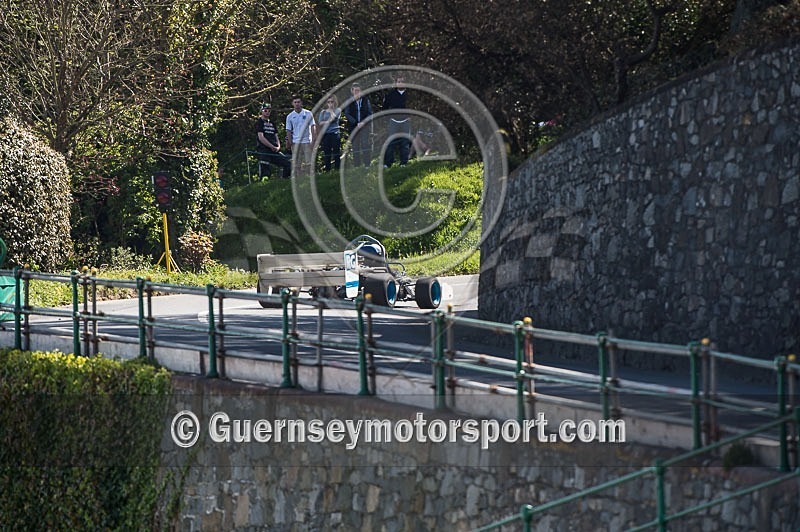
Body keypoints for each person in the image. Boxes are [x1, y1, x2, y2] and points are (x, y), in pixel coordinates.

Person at [255, 103, 291, 179]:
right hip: (264, 150)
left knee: (287, 163)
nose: (267, 112)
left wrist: (278, 146)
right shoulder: (259, 122)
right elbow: (261, 137)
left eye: (269, 111)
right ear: (261, 111)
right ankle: (264, 183)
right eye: (265, 110)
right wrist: (270, 146)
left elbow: (276, 136)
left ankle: (285, 179)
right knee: (265, 168)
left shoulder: (272, 123)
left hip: (274, 150)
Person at [382, 75, 411, 168]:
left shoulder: (410, 95)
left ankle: (403, 163)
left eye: (402, 81)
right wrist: (388, 118)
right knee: (390, 143)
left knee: (405, 143)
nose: (400, 83)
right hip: (393, 121)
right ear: (395, 83)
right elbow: (384, 108)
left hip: (406, 121)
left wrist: (411, 117)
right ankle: (388, 163)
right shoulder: (390, 94)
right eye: (398, 81)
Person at [285, 95, 316, 177]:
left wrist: (313, 140)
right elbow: (288, 130)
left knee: (309, 162)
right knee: (296, 163)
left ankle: (311, 177)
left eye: (298, 102)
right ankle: (298, 178)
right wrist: (290, 142)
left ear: (301, 103)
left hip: (307, 141)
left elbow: (313, 127)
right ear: (292, 104)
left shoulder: (308, 113)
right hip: (296, 142)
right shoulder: (290, 116)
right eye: (295, 102)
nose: (297, 104)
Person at [344, 83, 373, 167]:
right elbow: (347, 114)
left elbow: (370, 113)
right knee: (355, 146)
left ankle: (367, 165)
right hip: (354, 127)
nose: (357, 92)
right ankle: (357, 165)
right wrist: (356, 123)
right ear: (352, 91)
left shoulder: (365, 100)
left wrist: (363, 122)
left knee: (365, 144)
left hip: (364, 126)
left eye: (358, 90)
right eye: (355, 90)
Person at [318, 95, 342, 172]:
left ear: (334, 102)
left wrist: (331, 110)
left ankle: (337, 169)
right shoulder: (323, 112)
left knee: (336, 151)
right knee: (327, 152)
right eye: (328, 102)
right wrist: (328, 122)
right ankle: (327, 170)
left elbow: (334, 118)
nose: (330, 103)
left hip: (335, 133)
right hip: (326, 134)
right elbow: (320, 122)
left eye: (332, 102)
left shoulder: (338, 110)